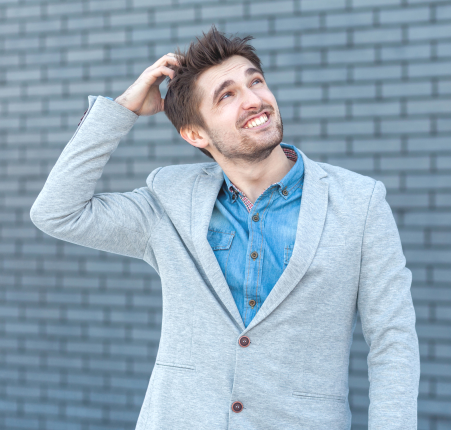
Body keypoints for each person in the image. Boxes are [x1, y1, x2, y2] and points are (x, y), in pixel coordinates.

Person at [30, 25, 420, 429]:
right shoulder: (170, 201)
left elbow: (393, 341)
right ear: (195, 134)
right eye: (227, 95)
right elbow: (57, 212)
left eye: (256, 82)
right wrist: (122, 109)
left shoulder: (359, 202)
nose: (254, 100)